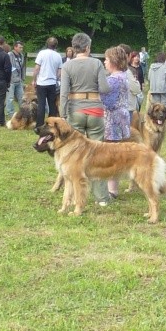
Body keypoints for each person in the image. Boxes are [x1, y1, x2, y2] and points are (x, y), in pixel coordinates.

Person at [60, 32, 112, 206]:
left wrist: (63, 115)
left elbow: (64, 93)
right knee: (98, 154)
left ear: (73, 48)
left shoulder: (67, 66)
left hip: (75, 111)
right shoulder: (97, 63)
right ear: (88, 47)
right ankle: (102, 198)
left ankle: (75, 196)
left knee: (75, 156)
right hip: (96, 111)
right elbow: (105, 88)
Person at [101, 45, 130, 200]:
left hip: (113, 120)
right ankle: (113, 188)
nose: (104, 62)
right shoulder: (124, 75)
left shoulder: (113, 80)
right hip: (122, 118)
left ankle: (111, 190)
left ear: (113, 61)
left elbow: (109, 102)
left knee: (111, 156)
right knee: (115, 154)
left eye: (106, 59)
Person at [32, 36, 62, 128]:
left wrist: (34, 79)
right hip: (52, 83)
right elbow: (59, 71)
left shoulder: (42, 53)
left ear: (47, 44)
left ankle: (39, 125)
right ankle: (51, 124)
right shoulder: (58, 55)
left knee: (41, 104)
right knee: (52, 104)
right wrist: (55, 78)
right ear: (56, 46)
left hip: (41, 83)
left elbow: (37, 68)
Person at [5, 40, 26, 119]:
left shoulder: (21, 55)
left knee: (21, 97)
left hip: (19, 80)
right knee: (10, 98)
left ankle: (23, 112)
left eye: (22, 47)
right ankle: (10, 113)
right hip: (11, 80)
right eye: (20, 47)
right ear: (15, 47)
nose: (21, 49)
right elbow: (9, 67)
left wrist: (22, 78)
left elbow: (22, 67)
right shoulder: (9, 55)